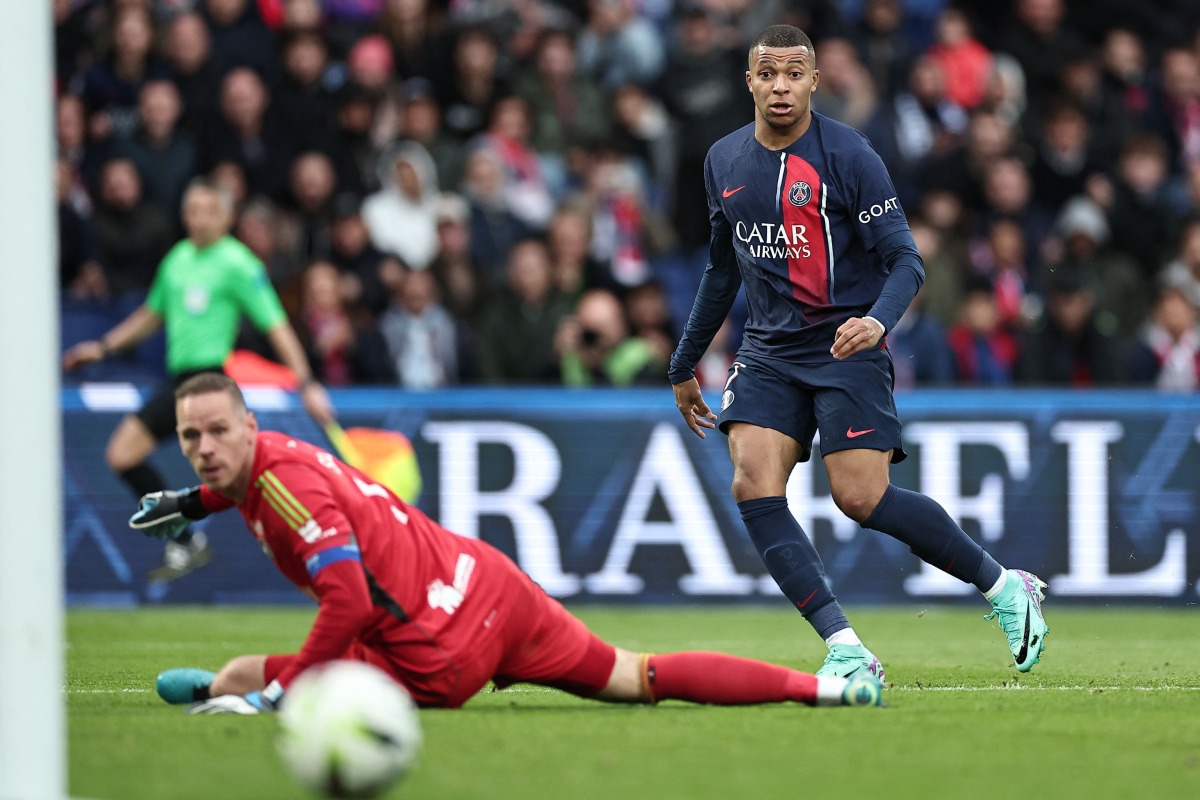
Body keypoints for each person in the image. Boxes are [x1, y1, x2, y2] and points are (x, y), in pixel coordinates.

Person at [132, 374, 883, 713]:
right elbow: (237, 485)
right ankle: (826, 689)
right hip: (490, 585)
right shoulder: (280, 460)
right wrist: (191, 504)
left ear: (249, 429)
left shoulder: (282, 490)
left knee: (244, 675)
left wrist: (281, 690)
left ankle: (232, 697)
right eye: (189, 436)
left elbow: (350, 601)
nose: (203, 447)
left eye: (218, 431)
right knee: (636, 674)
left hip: (437, 649)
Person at [668, 25, 1049, 682]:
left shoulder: (849, 155)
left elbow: (906, 259)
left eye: (794, 74)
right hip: (768, 350)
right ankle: (844, 645)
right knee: (752, 481)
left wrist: (876, 322)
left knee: (861, 498)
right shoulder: (723, 160)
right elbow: (721, 272)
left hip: (846, 345)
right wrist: (681, 365)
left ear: (815, 81)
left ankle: (1004, 587)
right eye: (768, 74)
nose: (781, 86)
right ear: (750, 82)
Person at [63, 178, 335, 579]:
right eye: (193, 210)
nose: (200, 219)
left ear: (227, 217)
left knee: (243, 475)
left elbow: (276, 324)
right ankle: (187, 541)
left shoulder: (238, 263)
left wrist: (307, 383)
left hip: (210, 382)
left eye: (210, 211)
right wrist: (103, 348)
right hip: (179, 382)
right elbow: (151, 315)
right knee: (125, 456)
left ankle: (308, 540)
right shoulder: (177, 259)